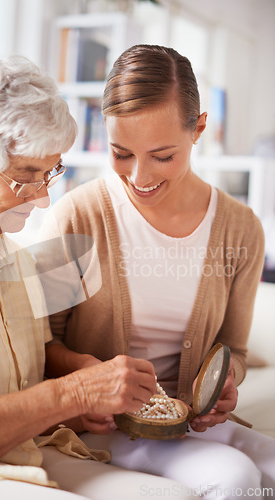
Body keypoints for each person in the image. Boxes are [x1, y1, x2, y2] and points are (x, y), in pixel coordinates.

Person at [0, 53, 201, 500]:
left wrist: (89, 376)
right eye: (25, 177)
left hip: (24, 449)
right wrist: (74, 394)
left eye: (50, 173)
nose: (41, 200)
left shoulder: (7, 250)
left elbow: (36, 352)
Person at [37, 45, 275, 499]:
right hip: (108, 426)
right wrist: (91, 377)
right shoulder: (76, 218)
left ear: (199, 128)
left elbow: (236, 350)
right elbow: (41, 346)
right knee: (237, 479)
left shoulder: (241, 229)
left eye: (162, 156)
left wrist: (227, 380)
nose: (139, 176)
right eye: (120, 152)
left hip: (191, 422)